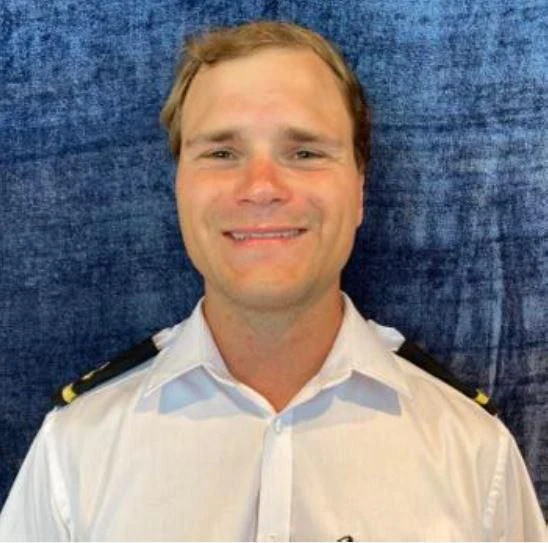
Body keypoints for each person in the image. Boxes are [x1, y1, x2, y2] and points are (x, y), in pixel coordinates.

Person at [0, 20, 545, 541]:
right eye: (221, 153)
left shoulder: (474, 453)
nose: (261, 187)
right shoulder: (75, 450)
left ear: (360, 189)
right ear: (179, 188)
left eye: (305, 152)